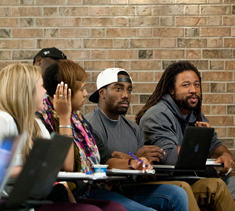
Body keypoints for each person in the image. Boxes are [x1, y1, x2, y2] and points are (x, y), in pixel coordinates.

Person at [37, 60, 188, 211]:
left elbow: (106, 159)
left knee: (177, 194)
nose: (86, 93)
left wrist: (132, 163)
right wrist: (64, 117)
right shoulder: (44, 122)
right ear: (64, 92)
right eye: (81, 88)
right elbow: (67, 167)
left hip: (101, 188)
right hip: (78, 192)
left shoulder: (80, 123)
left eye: (129, 90)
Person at [85, 67, 235, 211]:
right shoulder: (88, 125)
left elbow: (147, 176)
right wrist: (134, 160)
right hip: (106, 190)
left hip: (135, 187)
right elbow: (100, 163)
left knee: (219, 185)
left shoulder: (132, 128)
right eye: (119, 89)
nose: (125, 95)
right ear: (102, 93)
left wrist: (145, 162)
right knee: (179, 190)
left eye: (129, 89)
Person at [0, 63, 125, 211]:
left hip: (37, 196)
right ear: (26, 91)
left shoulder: (37, 124)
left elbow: (66, 166)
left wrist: (65, 116)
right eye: (42, 86)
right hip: (10, 199)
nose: (46, 91)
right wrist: (33, 171)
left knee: (115, 207)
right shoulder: (4, 120)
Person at [136, 61, 235, 201]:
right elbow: (168, 156)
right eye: (186, 85)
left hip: (194, 179)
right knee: (217, 186)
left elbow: (216, 146)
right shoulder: (157, 115)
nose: (193, 90)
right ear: (171, 90)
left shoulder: (195, 114)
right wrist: (201, 145)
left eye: (196, 84)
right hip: (170, 184)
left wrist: (225, 155)